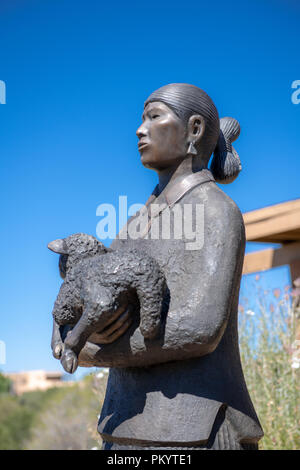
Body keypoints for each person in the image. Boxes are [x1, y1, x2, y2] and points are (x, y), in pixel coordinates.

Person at [67, 84, 264, 449]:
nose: (141, 129)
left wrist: (96, 350)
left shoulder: (216, 211)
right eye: (142, 119)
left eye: (154, 116)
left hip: (197, 427)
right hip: (122, 426)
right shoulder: (131, 227)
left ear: (194, 130)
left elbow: (200, 327)